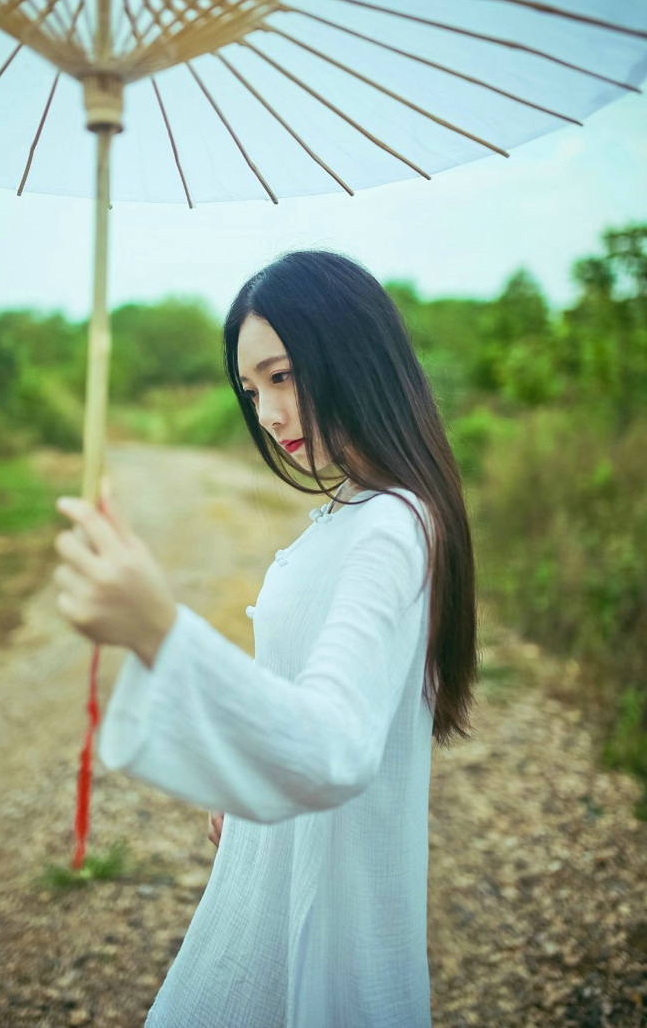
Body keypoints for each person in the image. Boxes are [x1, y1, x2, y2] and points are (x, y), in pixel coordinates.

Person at [54, 249, 479, 1028]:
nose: (269, 413)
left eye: (283, 376)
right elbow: (308, 692)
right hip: (274, 861)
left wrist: (159, 628)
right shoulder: (358, 509)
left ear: (351, 355)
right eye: (253, 390)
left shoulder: (391, 525)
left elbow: (335, 745)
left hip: (328, 896)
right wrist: (244, 777)